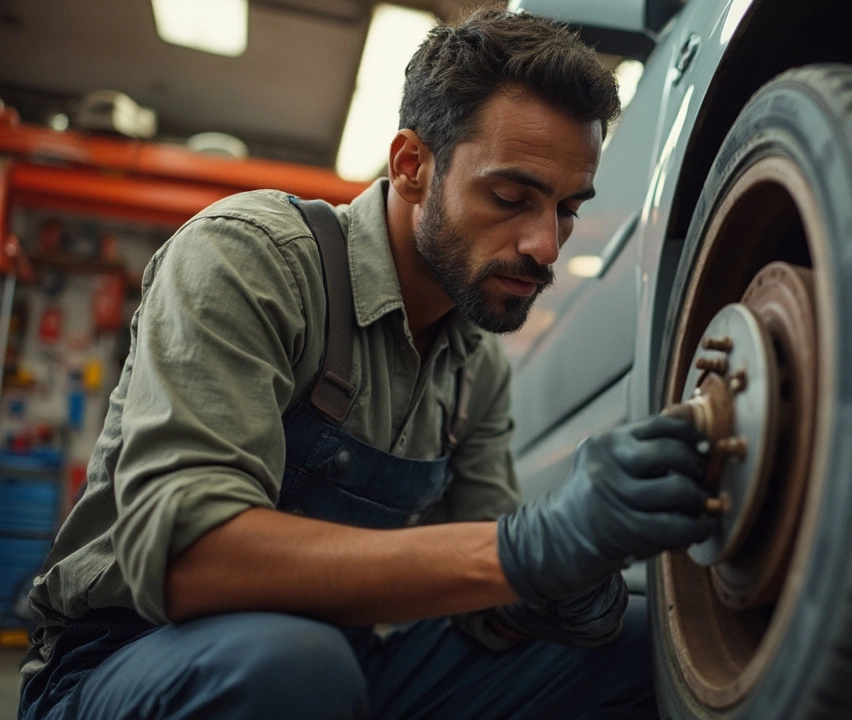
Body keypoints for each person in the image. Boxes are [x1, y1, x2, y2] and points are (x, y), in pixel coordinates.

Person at [18, 9, 716, 720]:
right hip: (126, 659)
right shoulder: (251, 259)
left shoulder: (476, 369)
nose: (546, 243)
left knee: (640, 649)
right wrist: (529, 547)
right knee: (292, 670)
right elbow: (190, 560)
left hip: (338, 653)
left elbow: (487, 606)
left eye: (567, 209)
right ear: (413, 166)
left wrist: (574, 572)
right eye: (511, 197)